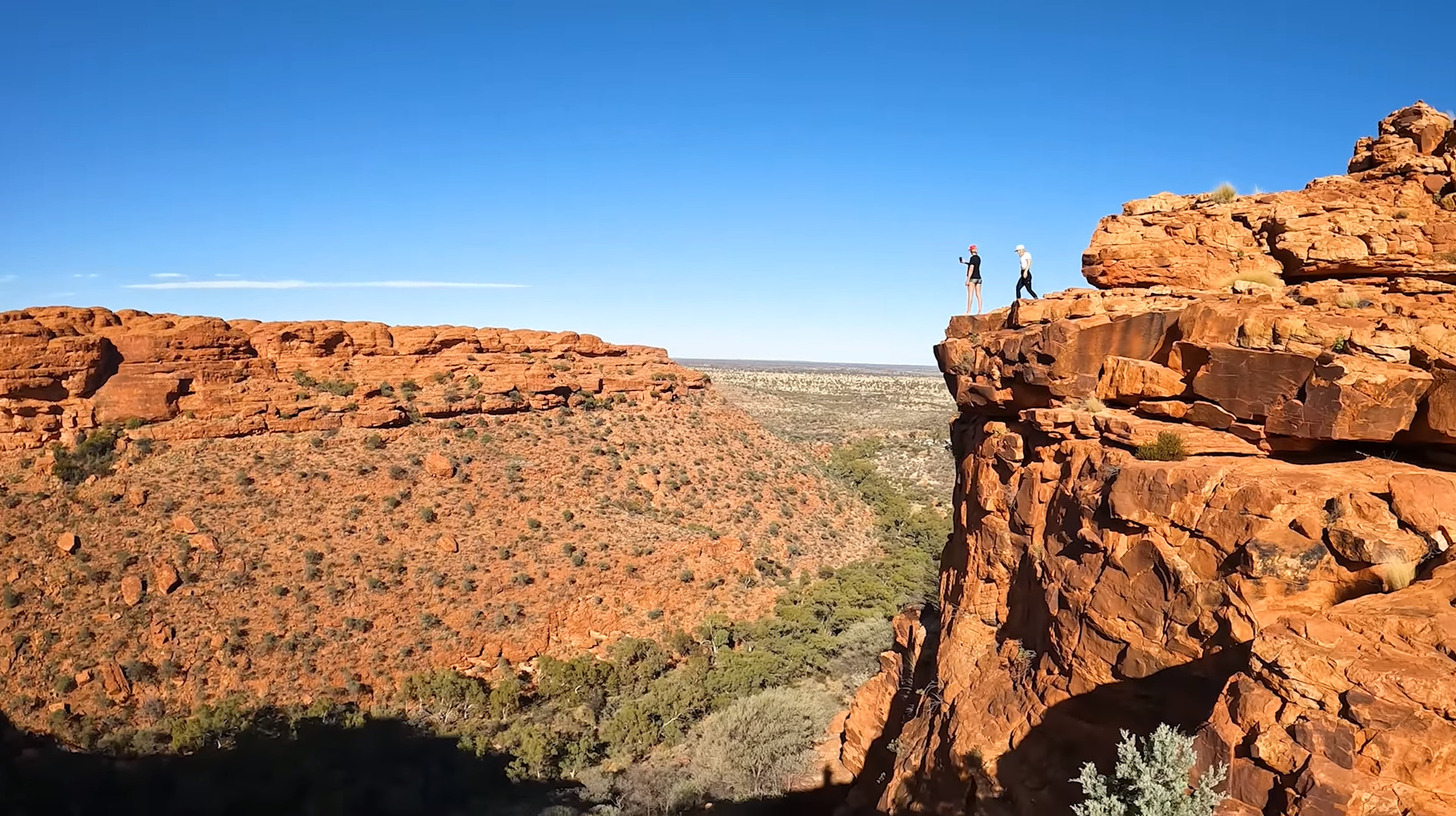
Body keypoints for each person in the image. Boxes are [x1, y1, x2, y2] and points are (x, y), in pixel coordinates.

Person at [958, 244, 983, 314]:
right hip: (979, 278)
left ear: (971, 251)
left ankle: (968, 311)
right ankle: (980, 310)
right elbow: (973, 264)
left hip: (972, 278)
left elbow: (971, 269)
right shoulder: (978, 258)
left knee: (970, 294)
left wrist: (968, 280)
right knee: (978, 294)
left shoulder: (972, 258)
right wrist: (965, 262)